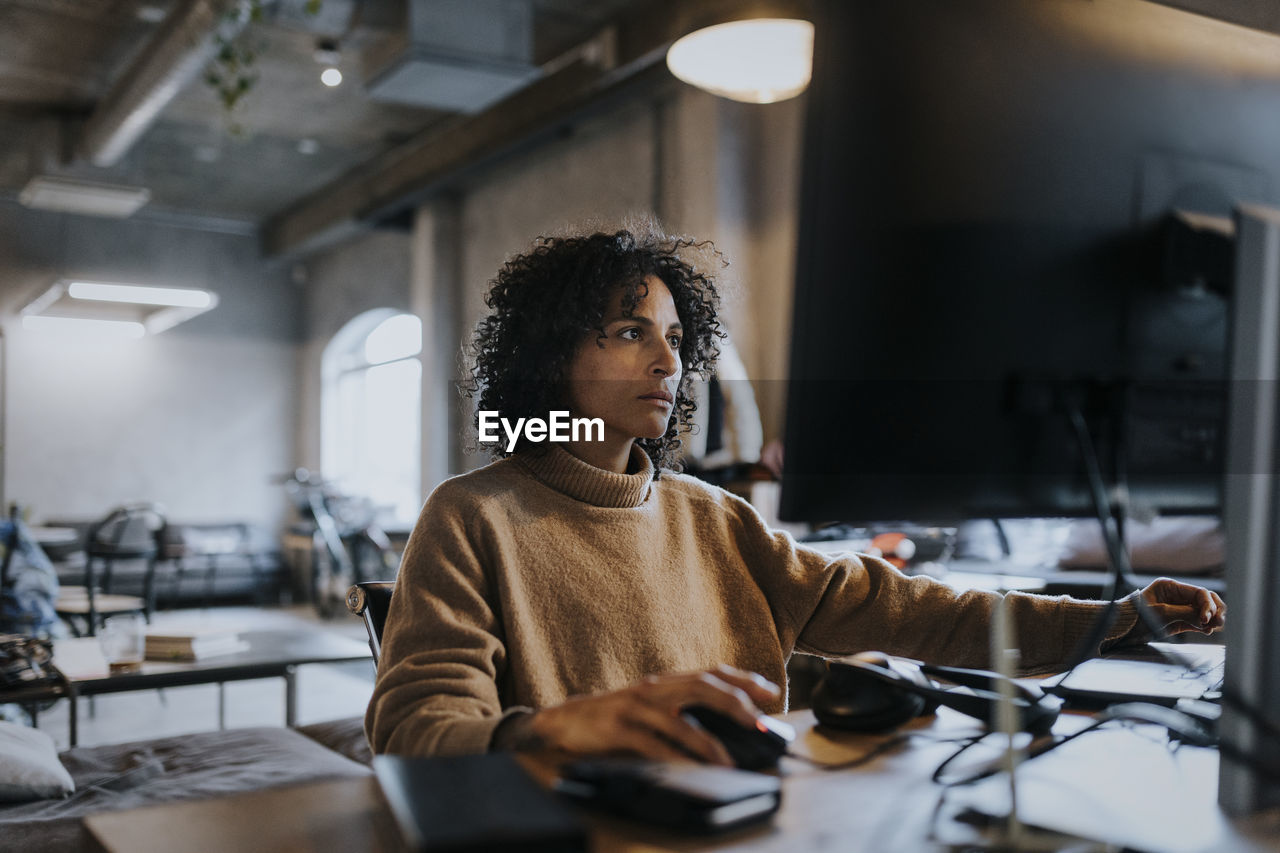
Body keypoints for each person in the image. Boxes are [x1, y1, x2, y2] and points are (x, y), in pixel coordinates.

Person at [365, 223, 1225, 766]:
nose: (667, 362)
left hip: (748, 823)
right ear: (548, 359)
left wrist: (1117, 617)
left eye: (673, 338)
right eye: (630, 332)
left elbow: (923, 612)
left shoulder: (716, 519)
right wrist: (549, 730)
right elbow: (414, 727)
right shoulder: (472, 515)